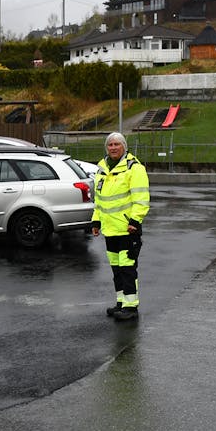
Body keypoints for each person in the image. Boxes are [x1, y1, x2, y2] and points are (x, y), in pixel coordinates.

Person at [91, 132, 150, 321]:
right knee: (116, 269)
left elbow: (141, 198)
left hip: (127, 229)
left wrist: (135, 221)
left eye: (117, 144)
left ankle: (131, 306)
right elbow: (100, 201)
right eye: (110, 145)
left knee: (127, 268)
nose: (113, 147)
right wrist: (96, 221)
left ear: (124, 146)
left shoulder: (134, 168)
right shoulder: (101, 170)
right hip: (110, 230)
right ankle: (121, 302)